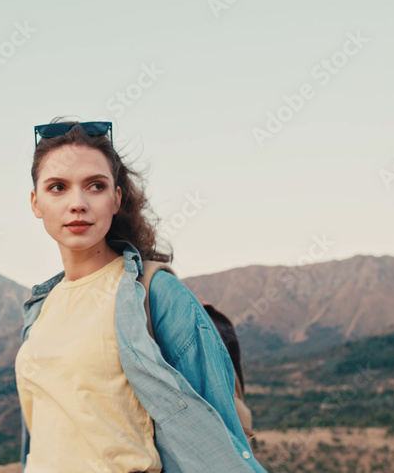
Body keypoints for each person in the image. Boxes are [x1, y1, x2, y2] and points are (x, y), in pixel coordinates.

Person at [15, 117, 267, 473]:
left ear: (116, 198)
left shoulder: (154, 293)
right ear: (35, 202)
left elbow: (220, 439)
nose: (78, 203)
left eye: (95, 186)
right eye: (57, 187)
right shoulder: (40, 308)